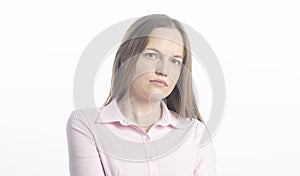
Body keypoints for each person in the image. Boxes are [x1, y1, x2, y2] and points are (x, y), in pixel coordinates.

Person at [66, 14, 217, 176]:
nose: (163, 71)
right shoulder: (85, 125)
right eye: (152, 55)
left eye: (175, 61)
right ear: (126, 58)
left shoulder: (195, 133)